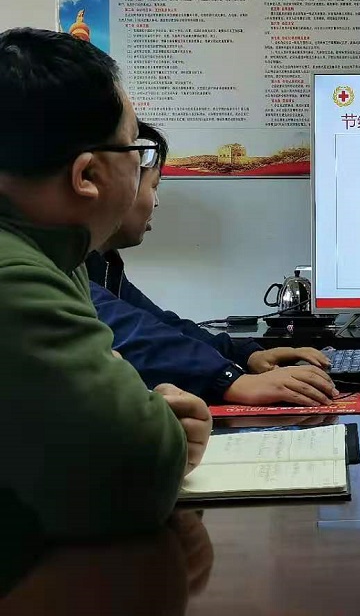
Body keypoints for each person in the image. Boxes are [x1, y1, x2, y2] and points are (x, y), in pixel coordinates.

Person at [0, 28, 210, 545]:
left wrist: (136, 402)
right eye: (136, 150)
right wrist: (160, 428)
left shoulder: (57, 250)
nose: (143, 172)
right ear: (88, 175)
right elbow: (132, 474)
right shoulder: (16, 279)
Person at [87, 122, 338, 406]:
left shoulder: (101, 263)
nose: (155, 202)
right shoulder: (60, 269)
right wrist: (230, 380)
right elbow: (124, 330)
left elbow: (158, 324)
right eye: (153, 185)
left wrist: (244, 355)